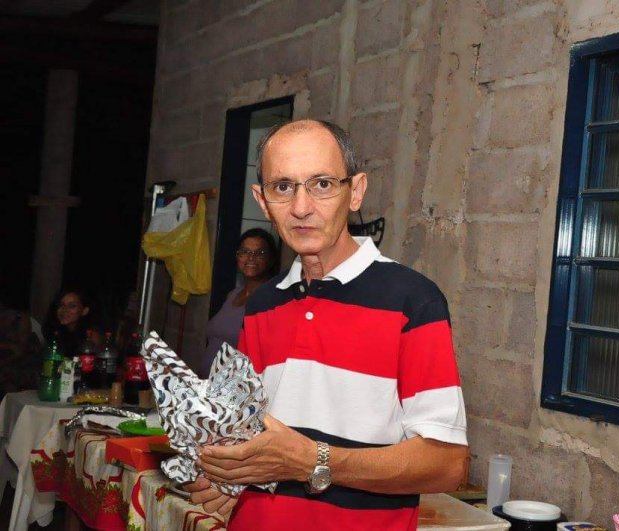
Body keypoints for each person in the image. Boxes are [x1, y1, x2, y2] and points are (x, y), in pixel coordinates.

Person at [186, 119, 468, 530]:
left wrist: (313, 461)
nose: (301, 207)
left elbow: (447, 464)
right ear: (262, 200)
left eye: (322, 184)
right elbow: (246, 430)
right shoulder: (262, 304)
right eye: (283, 187)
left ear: (355, 192)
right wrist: (227, 474)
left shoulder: (412, 301)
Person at [199, 228, 279, 378]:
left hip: (234, 388)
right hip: (207, 384)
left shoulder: (272, 300)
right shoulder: (233, 294)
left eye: (260, 253)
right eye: (245, 252)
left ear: (271, 259)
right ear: (237, 256)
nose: (251, 258)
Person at [42, 288, 102, 358]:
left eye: (72, 306)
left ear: (84, 311)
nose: (64, 310)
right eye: (61, 305)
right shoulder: (55, 331)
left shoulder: (91, 336)